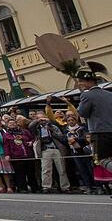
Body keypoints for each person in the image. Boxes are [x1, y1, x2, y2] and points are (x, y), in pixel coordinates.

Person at [75, 65, 112, 198]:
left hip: (100, 133)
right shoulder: (109, 94)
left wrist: (82, 97)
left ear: (90, 81)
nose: (80, 84)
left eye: (81, 81)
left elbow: (82, 113)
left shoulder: (87, 95)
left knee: (101, 159)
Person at [28, 111, 68, 193]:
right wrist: (37, 121)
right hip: (45, 149)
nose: (42, 120)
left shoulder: (52, 126)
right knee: (46, 170)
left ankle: (65, 187)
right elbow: (30, 126)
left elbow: (61, 136)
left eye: (43, 118)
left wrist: (52, 131)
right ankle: (46, 187)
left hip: (56, 148)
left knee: (62, 169)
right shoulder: (37, 128)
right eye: (39, 118)